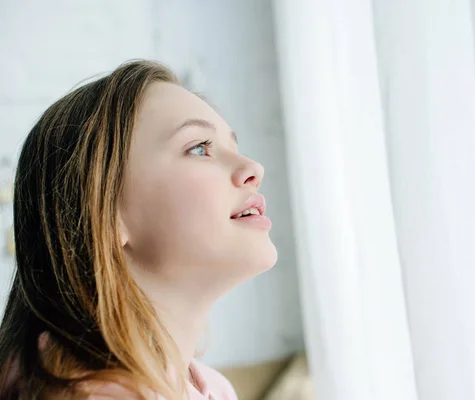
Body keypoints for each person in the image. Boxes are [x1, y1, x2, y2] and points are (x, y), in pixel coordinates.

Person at [0, 60, 277, 399]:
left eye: (232, 146)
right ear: (103, 212)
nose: (253, 168)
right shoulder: (83, 393)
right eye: (199, 148)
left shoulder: (214, 389)